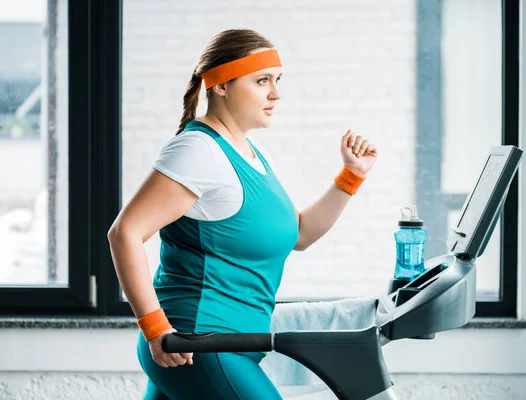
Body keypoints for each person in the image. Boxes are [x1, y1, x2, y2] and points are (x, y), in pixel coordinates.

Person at [107, 28, 378, 400]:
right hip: (198, 346)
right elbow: (125, 233)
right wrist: (156, 329)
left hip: (227, 346)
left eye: (278, 80)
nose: (275, 93)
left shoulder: (246, 152)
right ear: (220, 85)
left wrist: (352, 176)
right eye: (261, 80)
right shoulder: (198, 151)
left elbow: (300, 233)